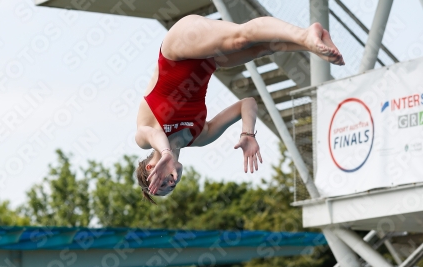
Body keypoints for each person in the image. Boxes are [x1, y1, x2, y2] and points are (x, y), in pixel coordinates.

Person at [135, 15, 344, 203]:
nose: (171, 184)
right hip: (208, 61)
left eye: (161, 184)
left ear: (150, 168)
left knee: (240, 38)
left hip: (177, 49)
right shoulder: (200, 136)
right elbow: (247, 103)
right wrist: (248, 133)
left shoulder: (143, 139)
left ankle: (306, 35)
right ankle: (312, 43)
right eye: (171, 188)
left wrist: (166, 154)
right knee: (264, 48)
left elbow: (154, 135)